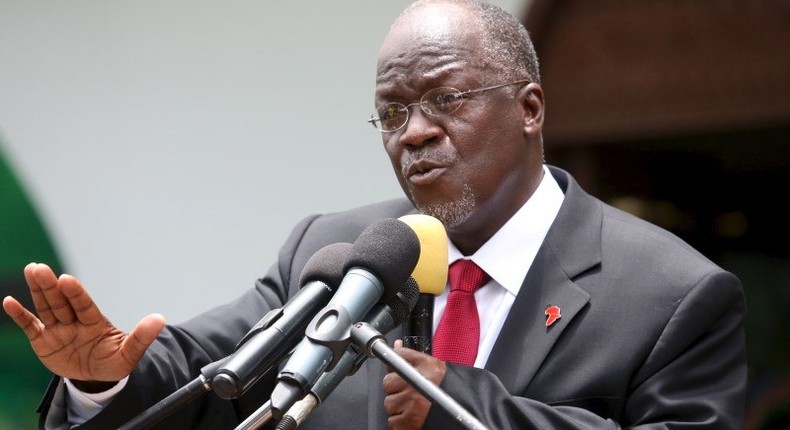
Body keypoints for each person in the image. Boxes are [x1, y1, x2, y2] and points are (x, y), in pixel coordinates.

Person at [2, 0, 747, 429]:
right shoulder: (340, 250)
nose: (414, 132)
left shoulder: (672, 295)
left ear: (529, 108)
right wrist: (103, 378)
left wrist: (460, 407)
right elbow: (211, 369)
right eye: (391, 112)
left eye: (445, 100)